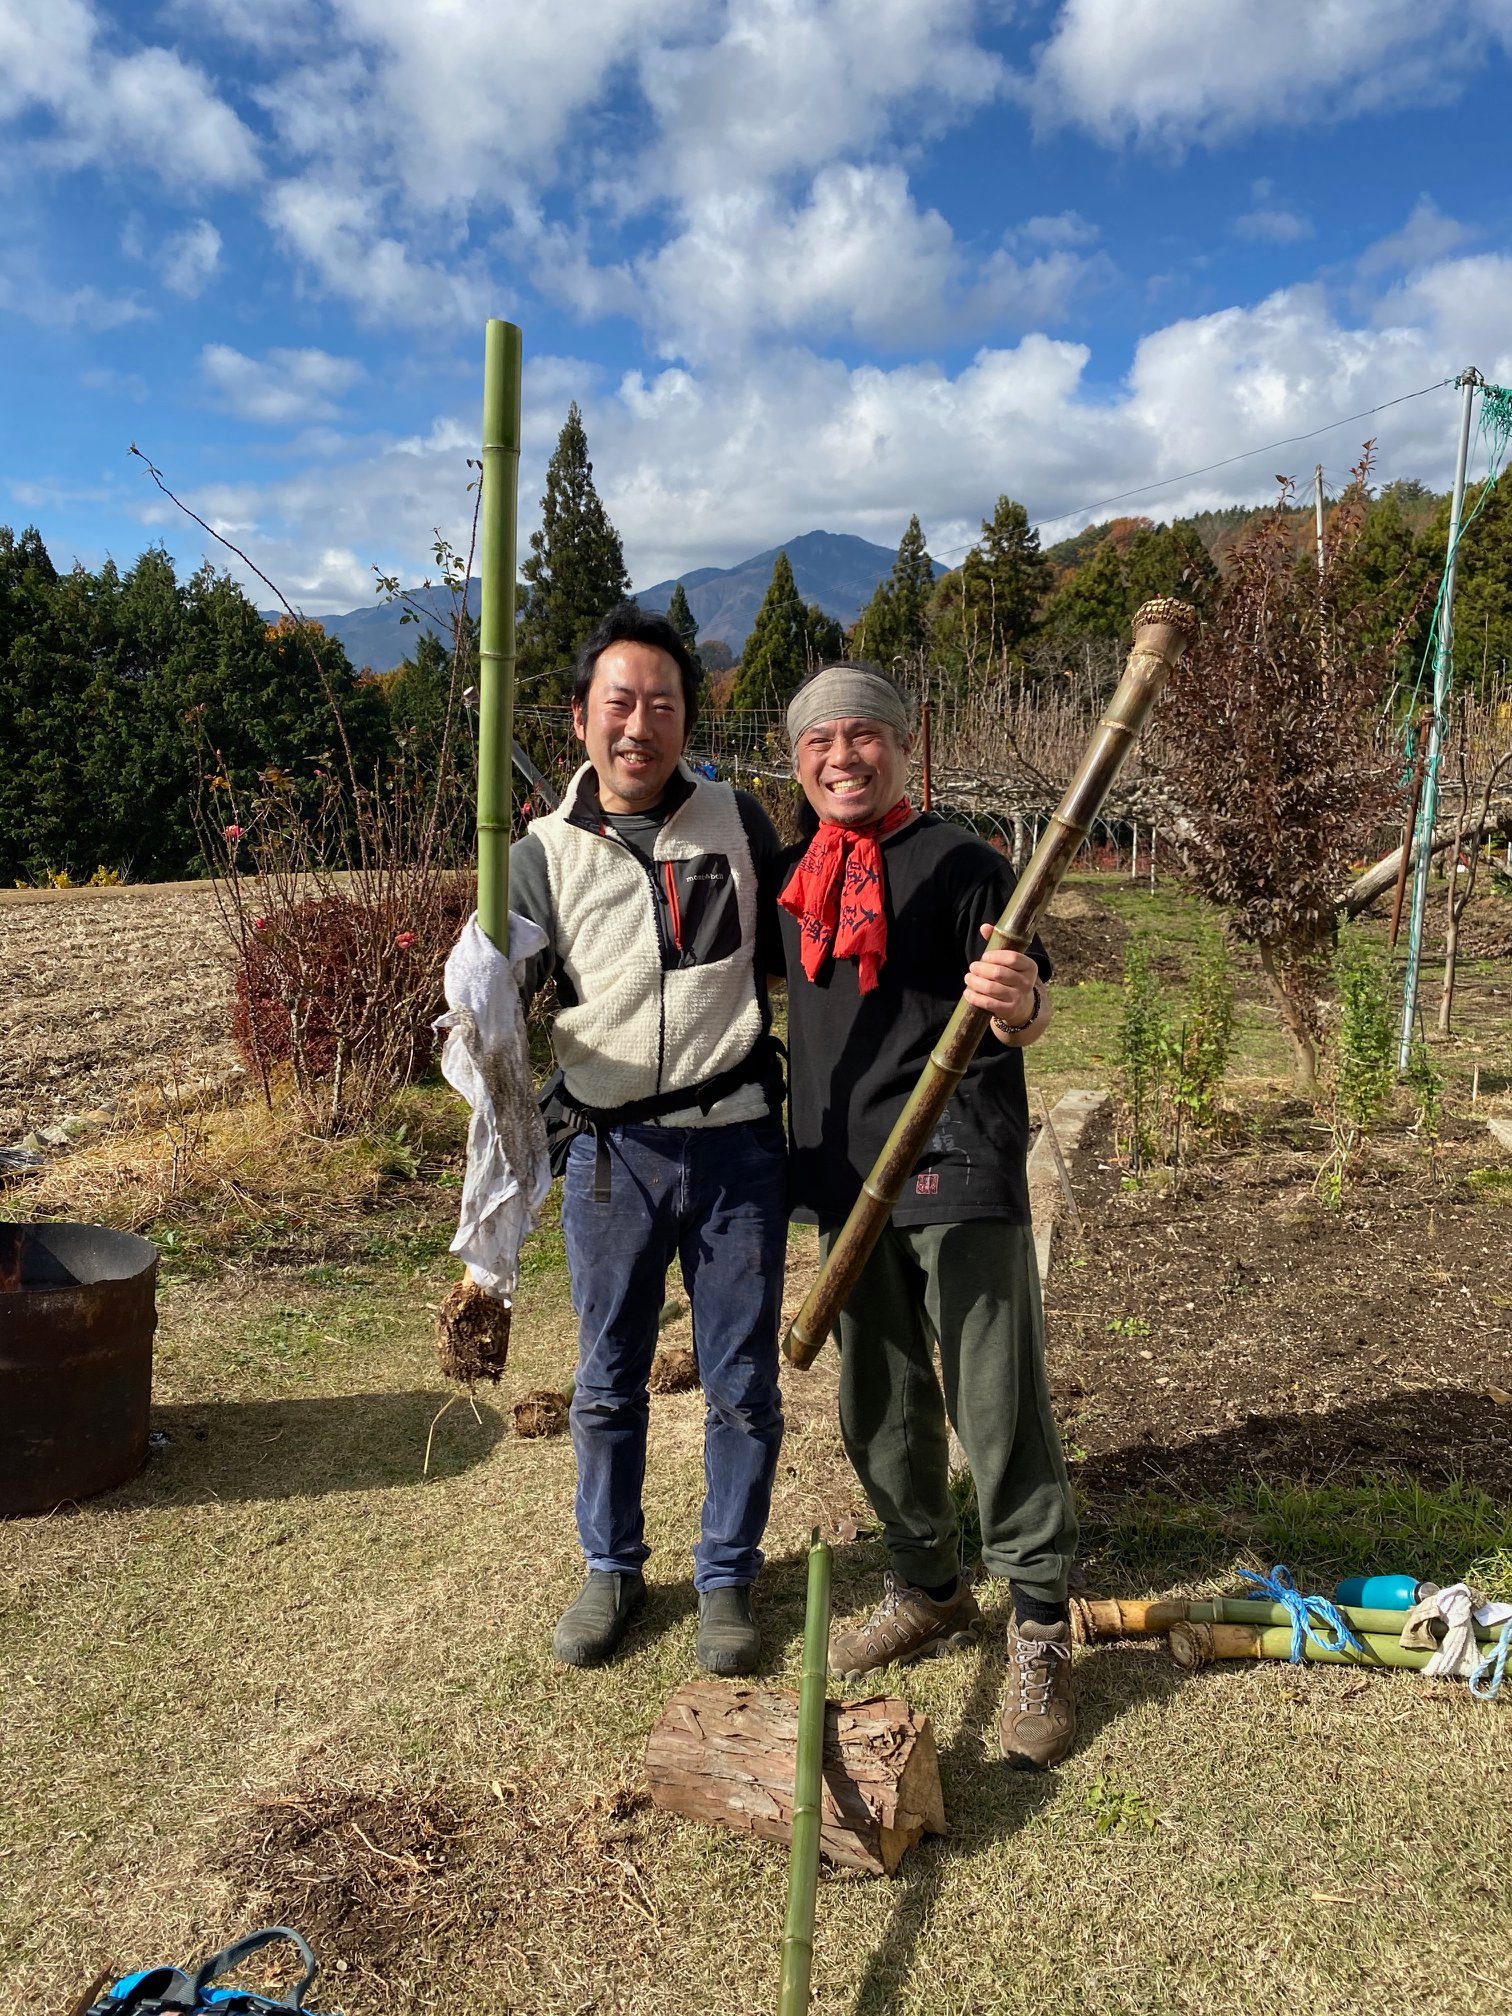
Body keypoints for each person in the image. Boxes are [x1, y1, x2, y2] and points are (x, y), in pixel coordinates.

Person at [776, 660, 1079, 1768]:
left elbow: (1021, 986)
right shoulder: (800, 874)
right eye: (820, 742)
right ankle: (930, 1583)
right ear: (796, 760)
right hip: (845, 1176)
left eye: (865, 737)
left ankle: (1041, 1615)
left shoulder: (963, 860)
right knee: (880, 1397)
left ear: (907, 749)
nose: (843, 758)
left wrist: (1024, 1005)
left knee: (995, 1396)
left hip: (955, 1157)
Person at [510, 603, 788, 1675]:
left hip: (737, 1147)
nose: (640, 724)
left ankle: (726, 1577)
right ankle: (611, 1569)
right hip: (610, 1153)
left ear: (686, 717)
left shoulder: (738, 822)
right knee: (608, 1375)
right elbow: (509, 991)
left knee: (742, 1379)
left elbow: (808, 941)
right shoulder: (537, 855)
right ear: (581, 719)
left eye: (662, 704)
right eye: (618, 703)